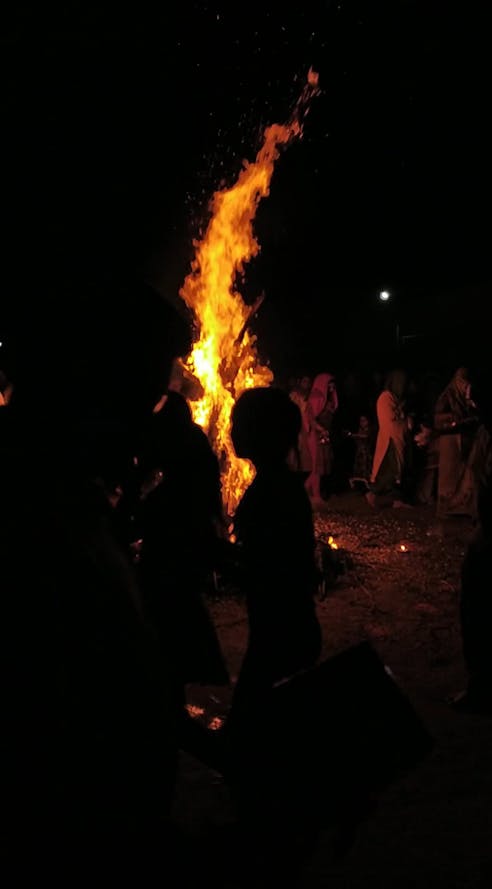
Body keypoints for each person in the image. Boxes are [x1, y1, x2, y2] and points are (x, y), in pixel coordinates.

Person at [0, 281, 192, 885]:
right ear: (80, 385)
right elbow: (71, 806)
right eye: (143, 394)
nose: (149, 424)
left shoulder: (67, 507)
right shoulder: (35, 535)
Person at [221, 386, 322, 886]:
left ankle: (271, 843)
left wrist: (218, 557)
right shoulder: (279, 486)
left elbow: (272, 571)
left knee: (258, 734)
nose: (231, 431)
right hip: (288, 625)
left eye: (240, 423)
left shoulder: (271, 494)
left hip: (281, 629)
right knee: (272, 731)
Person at [135, 389, 230, 761]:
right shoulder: (192, 493)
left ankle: (221, 757)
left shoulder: (167, 502)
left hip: (167, 599)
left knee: (164, 678)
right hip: (179, 591)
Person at [451, 373, 492, 715]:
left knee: (481, 609)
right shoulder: (487, 429)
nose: (472, 407)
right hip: (486, 529)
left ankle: (484, 686)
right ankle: (481, 683)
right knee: (476, 609)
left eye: (476, 401)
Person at [434, 366, 478, 518]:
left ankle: (462, 506)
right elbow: (438, 418)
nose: (465, 385)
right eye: (462, 382)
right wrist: (452, 419)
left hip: (465, 440)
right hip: (450, 441)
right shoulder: (448, 396)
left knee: (465, 473)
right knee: (450, 476)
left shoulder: (467, 397)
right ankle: (447, 508)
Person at [367, 369, 411, 508]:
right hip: (389, 441)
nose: (402, 386)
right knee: (387, 471)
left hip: (398, 441)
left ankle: (393, 500)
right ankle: (376, 496)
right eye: (400, 382)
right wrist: (405, 422)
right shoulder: (385, 398)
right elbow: (389, 423)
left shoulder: (398, 400)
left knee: (396, 473)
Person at [307, 372, 339, 506]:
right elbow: (311, 419)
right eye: (329, 383)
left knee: (322, 465)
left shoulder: (328, 397)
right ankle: (316, 494)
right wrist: (321, 429)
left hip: (325, 436)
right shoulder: (316, 397)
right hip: (315, 436)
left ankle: (312, 491)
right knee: (316, 465)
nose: (332, 386)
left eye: (333, 383)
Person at [288, 373, 313, 479]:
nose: (306, 385)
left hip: (307, 429)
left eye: (308, 382)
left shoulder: (311, 397)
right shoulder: (293, 396)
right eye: (304, 382)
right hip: (295, 428)